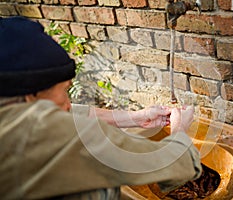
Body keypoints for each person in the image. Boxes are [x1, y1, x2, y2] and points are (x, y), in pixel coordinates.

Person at [0, 16, 202, 199]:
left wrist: (136, 117)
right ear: (31, 94)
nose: (68, 102)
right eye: (64, 90)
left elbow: (73, 113)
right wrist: (179, 131)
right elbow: (173, 165)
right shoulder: (47, 133)